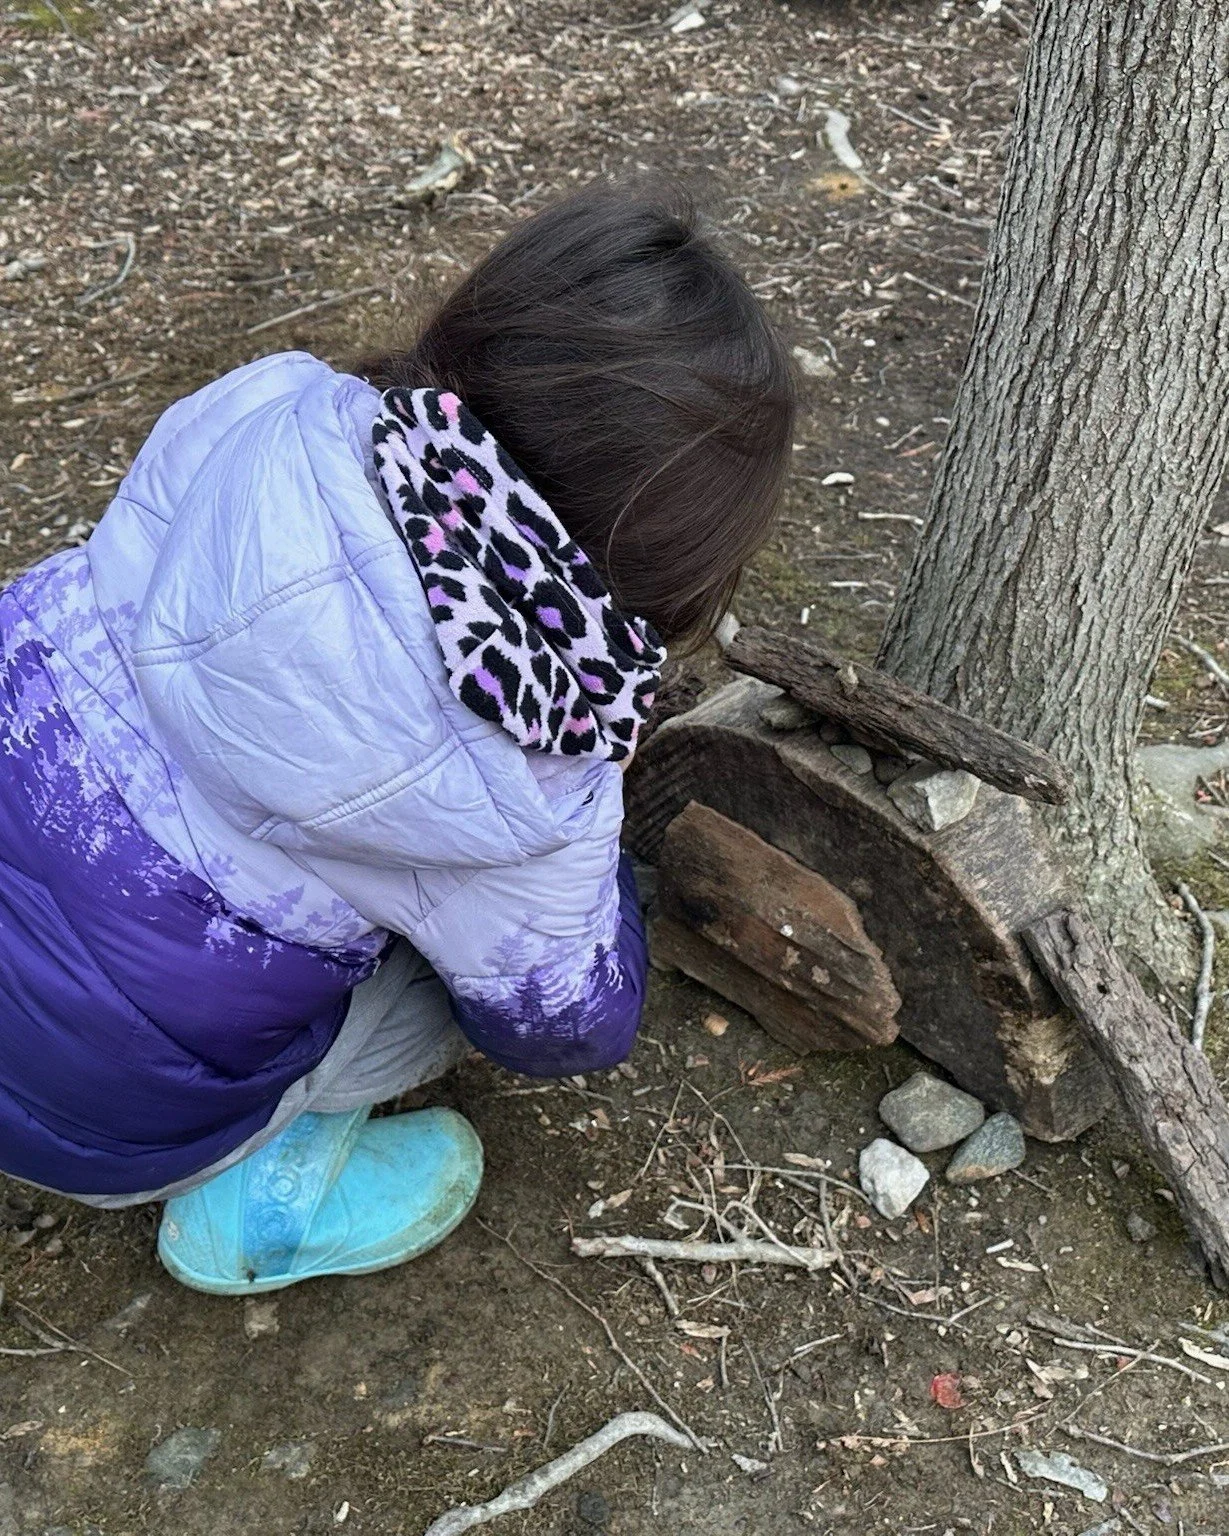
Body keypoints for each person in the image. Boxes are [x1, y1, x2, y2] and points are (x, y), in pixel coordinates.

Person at [0, 182, 796, 1293]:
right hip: (85, 1127)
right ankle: (254, 1203)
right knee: (443, 990)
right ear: (673, 563)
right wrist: (604, 875)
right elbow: (566, 1026)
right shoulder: (536, 769)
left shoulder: (272, 405)